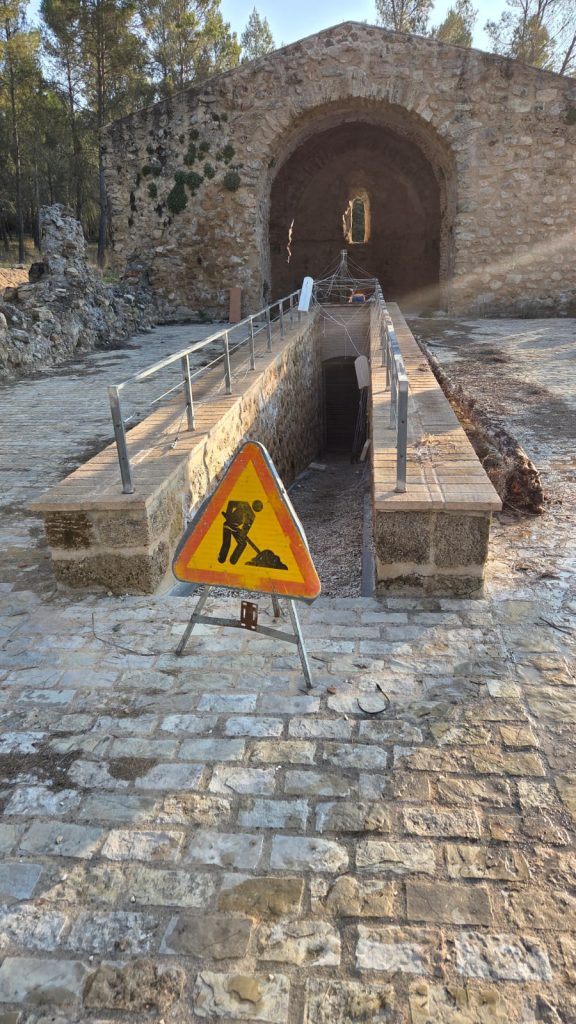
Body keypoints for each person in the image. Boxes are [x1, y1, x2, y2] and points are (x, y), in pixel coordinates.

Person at [218, 499, 263, 565]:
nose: (257, 507)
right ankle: (221, 559)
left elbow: (245, 529)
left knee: (243, 544)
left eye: (259, 507)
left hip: (235, 528)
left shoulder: (252, 516)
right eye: (257, 505)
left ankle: (233, 560)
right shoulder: (244, 504)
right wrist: (228, 516)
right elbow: (231, 503)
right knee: (227, 543)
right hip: (228, 525)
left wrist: (242, 534)